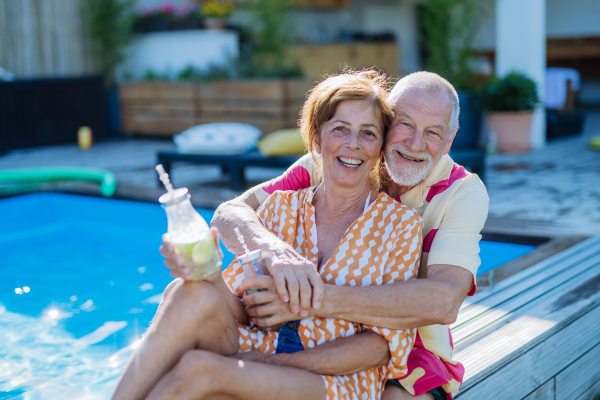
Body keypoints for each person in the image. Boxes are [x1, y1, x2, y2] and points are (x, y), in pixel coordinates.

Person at [113, 70, 424, 400]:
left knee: (198, 369)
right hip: (258, 347)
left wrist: (274, 362)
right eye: (340, 129)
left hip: (338, 378)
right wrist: (210, 276)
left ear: (379, 148)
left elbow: (379, 348)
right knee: (187, 291)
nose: (353, 144)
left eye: (368, 133)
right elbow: (243, 307)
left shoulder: (400, 225)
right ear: (317, 140)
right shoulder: (279, 208)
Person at [184, 71, 487, 400]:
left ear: (450, 138)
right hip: (318, 333)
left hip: (414, 346)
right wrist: (272, 249)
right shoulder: (337, 161)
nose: (415, 143)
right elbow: (231, 213)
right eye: (405, 124)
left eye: (433, 132)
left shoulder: (462, 192)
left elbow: (444, 301)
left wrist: (308, 300)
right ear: (388, 121)